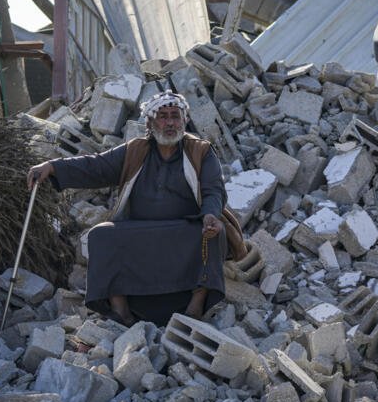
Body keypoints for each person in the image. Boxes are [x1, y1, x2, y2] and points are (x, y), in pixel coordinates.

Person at [27, 90, 229, 327]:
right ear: (151, 122)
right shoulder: (136, 150)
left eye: (175, 116)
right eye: (163, 116)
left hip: (183, 229)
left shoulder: (200, 151)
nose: (170, 122)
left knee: (212, 233)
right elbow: (96, 166)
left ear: (184, 120)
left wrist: (210, 215)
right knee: (102, 236)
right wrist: (53, 167)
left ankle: (196, 305)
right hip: (139, 230)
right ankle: (120, 309)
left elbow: (213, 189)